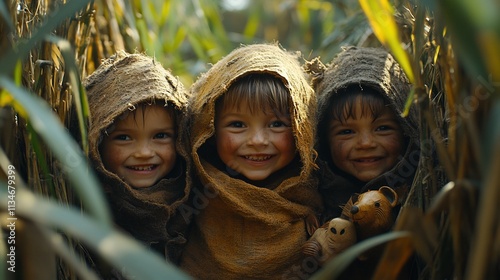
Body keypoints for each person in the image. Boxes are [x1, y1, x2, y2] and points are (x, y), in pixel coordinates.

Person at [179, 43, 323, 279]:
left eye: (276, 124)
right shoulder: (191, 195)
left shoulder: (321, 192)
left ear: (303, 128)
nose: (257, 140)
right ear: (209, 129)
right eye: (237, 125)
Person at [305, 46, 420, 278]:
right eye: (347, 132)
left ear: (407, 130)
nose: (366, 143)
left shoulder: (423, 197)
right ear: (324, 142)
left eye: (383, 128)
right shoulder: (313, 199)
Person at [82, 51, 192, 269]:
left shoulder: (193, 199)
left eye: (160, 136)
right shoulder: (85, 206)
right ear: (97, 142)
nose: (143, 152)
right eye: (124, 138)